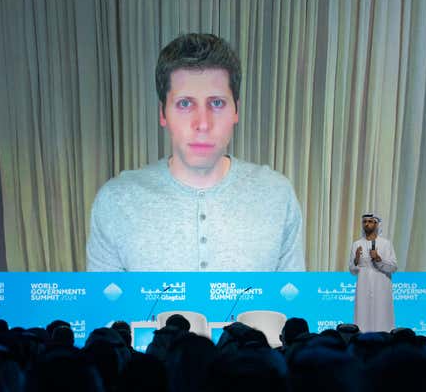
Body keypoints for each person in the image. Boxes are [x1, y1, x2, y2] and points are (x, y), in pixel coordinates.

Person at [86, 33, 305, 272]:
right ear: (163, 113)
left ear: (236, 111)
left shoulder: (277, 195)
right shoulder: (116, 202)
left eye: (217, 103)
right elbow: (104, 308)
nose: (202, 124)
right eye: (185, 104)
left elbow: (292, 305)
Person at [348, 214, 397, 332]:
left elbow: (394, 267)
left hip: (381, 287)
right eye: (364, 221)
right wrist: (356, 260)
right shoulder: (356, 244)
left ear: (376, 224)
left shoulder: (386, 244)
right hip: (363, 287)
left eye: (370, 221)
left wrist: (379, 259)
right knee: (363, 316)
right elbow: (352, 270)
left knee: (382, 316)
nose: (367, 224)